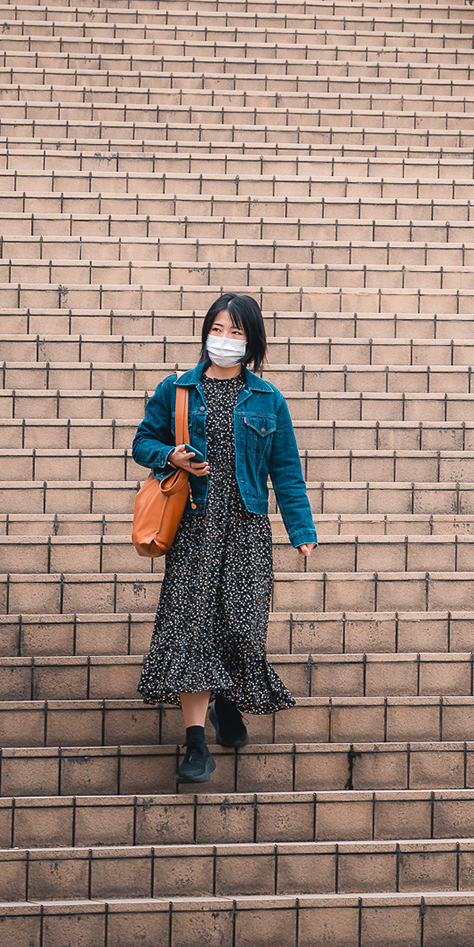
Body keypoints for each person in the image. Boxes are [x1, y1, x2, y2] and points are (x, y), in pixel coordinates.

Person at [131, 291, 318, 783]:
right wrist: (170, 457)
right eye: (218, 329)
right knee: (192, 627)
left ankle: (228, 700)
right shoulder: (176, 390)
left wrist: (302, 530)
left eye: (236, 332)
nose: (225, 339)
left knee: (242, 626)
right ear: (205, 333)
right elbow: (142, 442)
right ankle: (197, 745)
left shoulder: (267, 398)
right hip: (194, 526)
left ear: (251, 341)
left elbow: (287, 471)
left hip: (247, 527)